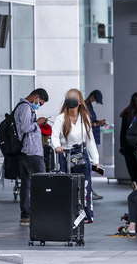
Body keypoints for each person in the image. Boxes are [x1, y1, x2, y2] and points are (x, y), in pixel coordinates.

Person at [51, 89, 103, 224]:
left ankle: (86, 214)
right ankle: (66, 214)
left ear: (80, 102)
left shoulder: (84, 118)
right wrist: (57, 146)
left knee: (85, 186)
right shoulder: (60, 118)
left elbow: (90, 141)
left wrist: (95, 161)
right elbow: (54, 136)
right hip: (65, 154)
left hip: (81, 155)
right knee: (65, 185)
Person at [14, 89, 49, 226]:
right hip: (31, 152)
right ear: (36, 97)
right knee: (43, 182)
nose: (39, 106)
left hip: (26, 152)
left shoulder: (24, 107)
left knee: (26, 185)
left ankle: (26, 216)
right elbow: (24, 128)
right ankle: (42, 213)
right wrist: (38, 123)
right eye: (40, 103)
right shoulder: (25, 108)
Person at [120, 92, 137, 190]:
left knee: (131, 168)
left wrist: (122, 146)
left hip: (128, 146)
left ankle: (134, 182)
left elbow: (123, 132)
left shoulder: (127, 113)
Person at [85, 90, 106, 200]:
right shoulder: (85, 107)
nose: (96, 103)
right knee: (89, 167)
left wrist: (98, 122)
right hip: (89, 140)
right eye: (97, 101)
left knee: (92, 166)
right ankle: (88, 190)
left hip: (93, 140)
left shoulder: (90, 107)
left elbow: (91, 121)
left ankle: (90, 189)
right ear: (92, 97)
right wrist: (96, 124)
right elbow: (86, 124)